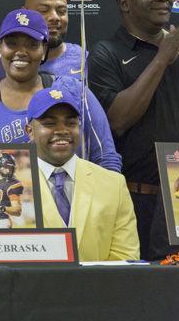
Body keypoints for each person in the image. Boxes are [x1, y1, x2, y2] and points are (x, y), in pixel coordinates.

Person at [89, 0, 179, 260]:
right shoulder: (106, 53)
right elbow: (118, 120)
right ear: (125, 2)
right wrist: (162, 57)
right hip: (140, 200)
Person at [0, 9, 121, 172]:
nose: (21, 52)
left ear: (44, 49)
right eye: (12, 43)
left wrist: (104, 195)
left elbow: (106, 158)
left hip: (76, 195)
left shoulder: (73, 90)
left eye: (32, 44)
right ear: (0, 47)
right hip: (12, 196)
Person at [25, 87, 139, 261]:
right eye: (49, 123)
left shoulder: (113, 184)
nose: (62, 130)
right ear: (30, 131)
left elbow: (125, 258)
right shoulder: (12, 184)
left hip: (97, 288)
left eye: (71, 123)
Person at [0, 0, 84, 89]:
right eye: (44, 10)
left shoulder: (83, 59)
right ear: (24, 13)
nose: (54, 17)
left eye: (62, 11)